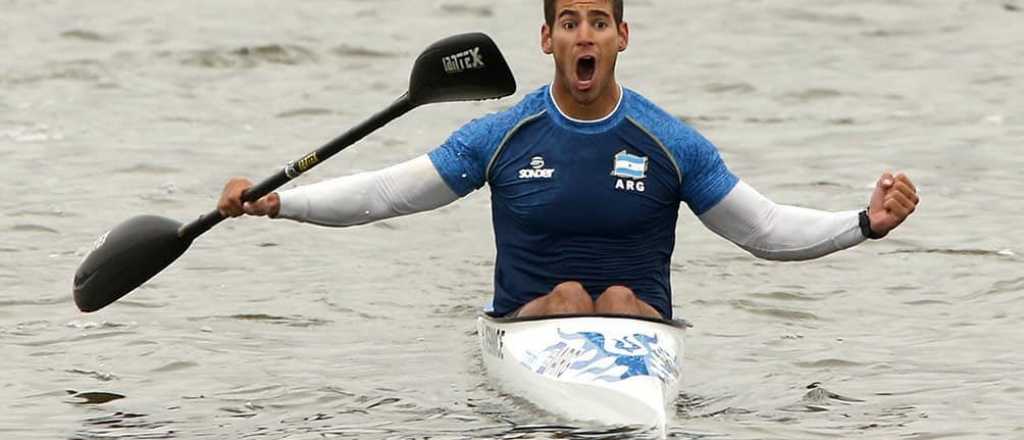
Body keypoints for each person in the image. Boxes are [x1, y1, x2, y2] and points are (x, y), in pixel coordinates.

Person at [218, 0, 919, 320]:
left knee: (612, 299)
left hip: (639, 332)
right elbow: (387, 194)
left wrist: (867, 221)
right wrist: (282, 202)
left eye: (599, 21)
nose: (586, 35)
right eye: (571, 22)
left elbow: (763, 231)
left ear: (622, 37)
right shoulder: (500, 136)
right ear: (547, 39)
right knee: (569, 298)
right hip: (527, 328)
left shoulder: (670, 143)